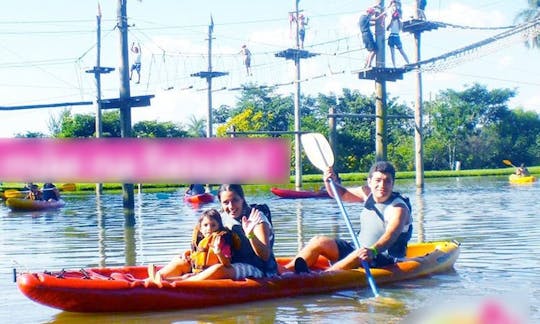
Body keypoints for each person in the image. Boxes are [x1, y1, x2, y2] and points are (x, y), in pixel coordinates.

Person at [283, 161, 412, 273]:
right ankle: (285, 272)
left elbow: (391, 235)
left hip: (383, 258)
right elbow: (340, 194)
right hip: (359, 248)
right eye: (378, 180)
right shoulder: (367, 193)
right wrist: (329, 181)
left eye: (387, 181)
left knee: (359, 253)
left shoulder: (399, 208)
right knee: (318, 241)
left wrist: (372, 251)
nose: (382, 185)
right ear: (369, 182)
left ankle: (323, 277)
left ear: (393, 184)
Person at [183, 184, 277, 281]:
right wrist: (192, 253)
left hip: (259, 269)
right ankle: (171, 282)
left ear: (242, 199)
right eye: (226, 202)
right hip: (230, 262)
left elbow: (265, 255)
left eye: (235, 200)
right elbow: (207, 238)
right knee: (181, 262)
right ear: (221, 203)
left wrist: (250, 234)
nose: (231, 206)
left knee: (218, 269)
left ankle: (181, 286)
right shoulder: (222, 216)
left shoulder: (256, 218)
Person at [146, 209, 234, 285]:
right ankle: (159, 277)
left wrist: (218, 252)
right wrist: (187, 253)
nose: (209, 229)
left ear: (219, 227)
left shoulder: (221, 241)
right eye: (206, 225)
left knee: (187, 276)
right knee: (180, 262)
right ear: (200, 228)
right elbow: (198, 254)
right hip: (198, 271)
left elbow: (227, 264)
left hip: (211, 273)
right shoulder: (201, 240)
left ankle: (165, 281)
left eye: (213, 225)